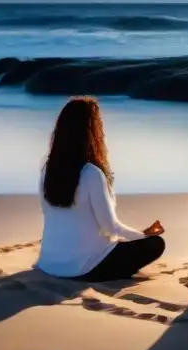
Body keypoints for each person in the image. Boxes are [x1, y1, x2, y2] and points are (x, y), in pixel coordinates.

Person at [35, 96, 165, 282]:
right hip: (85, 267)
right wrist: (143, 236)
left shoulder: (47, 168)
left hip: (48, 263)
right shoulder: (91, 173)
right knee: (156, 244)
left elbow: (50, 214)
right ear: (92, 131)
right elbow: (110, 227)